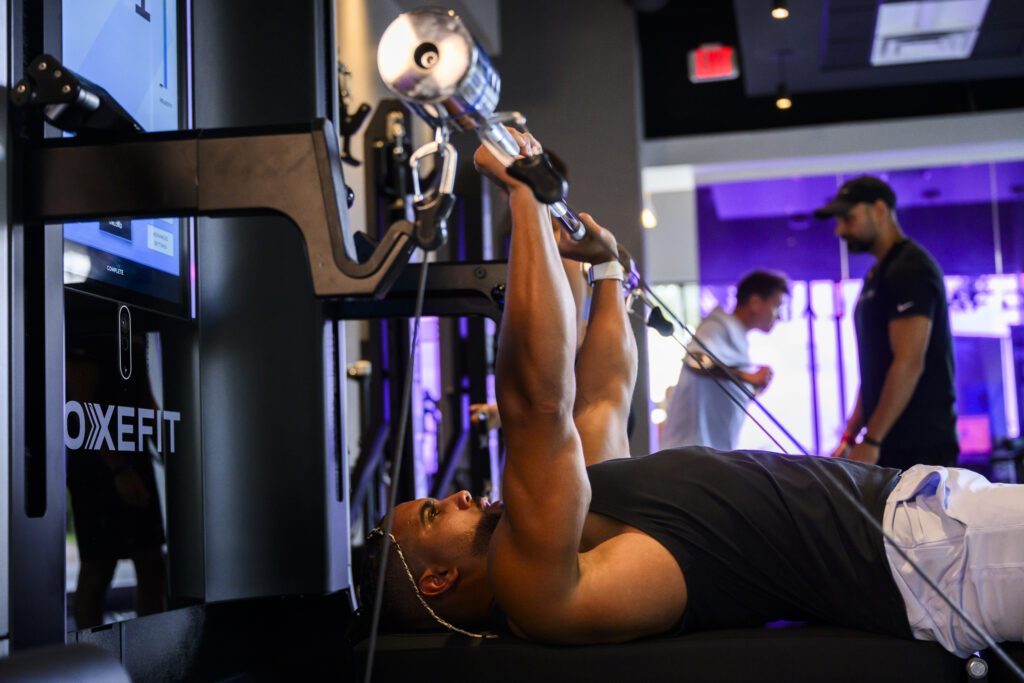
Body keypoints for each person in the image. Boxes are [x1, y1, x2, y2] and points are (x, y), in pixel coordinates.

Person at [360, 133, 1024, 658]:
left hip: (920, 511)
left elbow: (600, 397)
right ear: (437, 579)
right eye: (432, 514)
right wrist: (522, 197)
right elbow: (539, 406)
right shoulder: (529, 585)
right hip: (936, 562)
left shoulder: (581, 526)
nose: (459, 494)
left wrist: (603, 268)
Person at [815, 176, 958, 469]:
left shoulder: (911, 268)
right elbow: (875, 370)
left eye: (848, 218)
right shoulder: (878, 273)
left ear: (879, 210)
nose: (840, 229)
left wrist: (872, 441)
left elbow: (908, 362)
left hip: (921, 451)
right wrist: (851, 436)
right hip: (889, 447)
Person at [661, 271, 788, 451]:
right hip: (690, 450)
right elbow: (697, 361)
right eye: (776, 305)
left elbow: (723, 389)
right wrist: (747, 377)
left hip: (708, 451)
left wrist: (753, 388)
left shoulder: (737, 335)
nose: (779, 315)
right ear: (755, 302)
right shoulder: (718, 326)